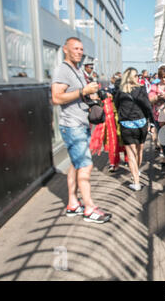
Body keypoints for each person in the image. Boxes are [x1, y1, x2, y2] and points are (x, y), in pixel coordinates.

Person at [51, 37, 112, 224]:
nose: (79, 51)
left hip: (79, 123)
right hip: (72, 125)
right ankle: (89, 208)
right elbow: (56, 97)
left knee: (76, 164)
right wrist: (83, 92)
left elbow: (78, 95)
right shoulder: (63, 70)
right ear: (65, 49)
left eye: (81, 49)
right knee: (86, 165)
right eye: (75, 48)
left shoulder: (76, 70)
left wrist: (94, 94)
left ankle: (72, 203)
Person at [114, 67, 155, 191]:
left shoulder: (120, 92)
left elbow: (117, 106)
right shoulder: (141, 90)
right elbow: (148, 106)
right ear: (134, 77)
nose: (138, 77)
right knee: (139, 150)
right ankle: (136, 171)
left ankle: (136, 181)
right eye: (137, 75)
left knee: (131, 154)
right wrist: (152, 122)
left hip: (127, 125)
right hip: (141, 124)